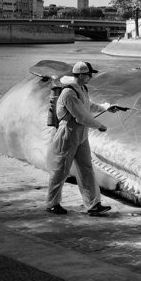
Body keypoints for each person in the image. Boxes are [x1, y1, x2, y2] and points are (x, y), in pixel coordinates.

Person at [45, 61, 121, 216]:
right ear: (80, 75)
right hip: (68, 134)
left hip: (81, 135)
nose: (90, 77)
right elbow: (80, 115)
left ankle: (93, 204)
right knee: (61, 170)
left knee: (86, 169)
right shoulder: (68, 93)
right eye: (88, 74)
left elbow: (89, 106)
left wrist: (106, 108)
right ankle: (52, 203)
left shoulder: (82, 89)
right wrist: (99, 125)